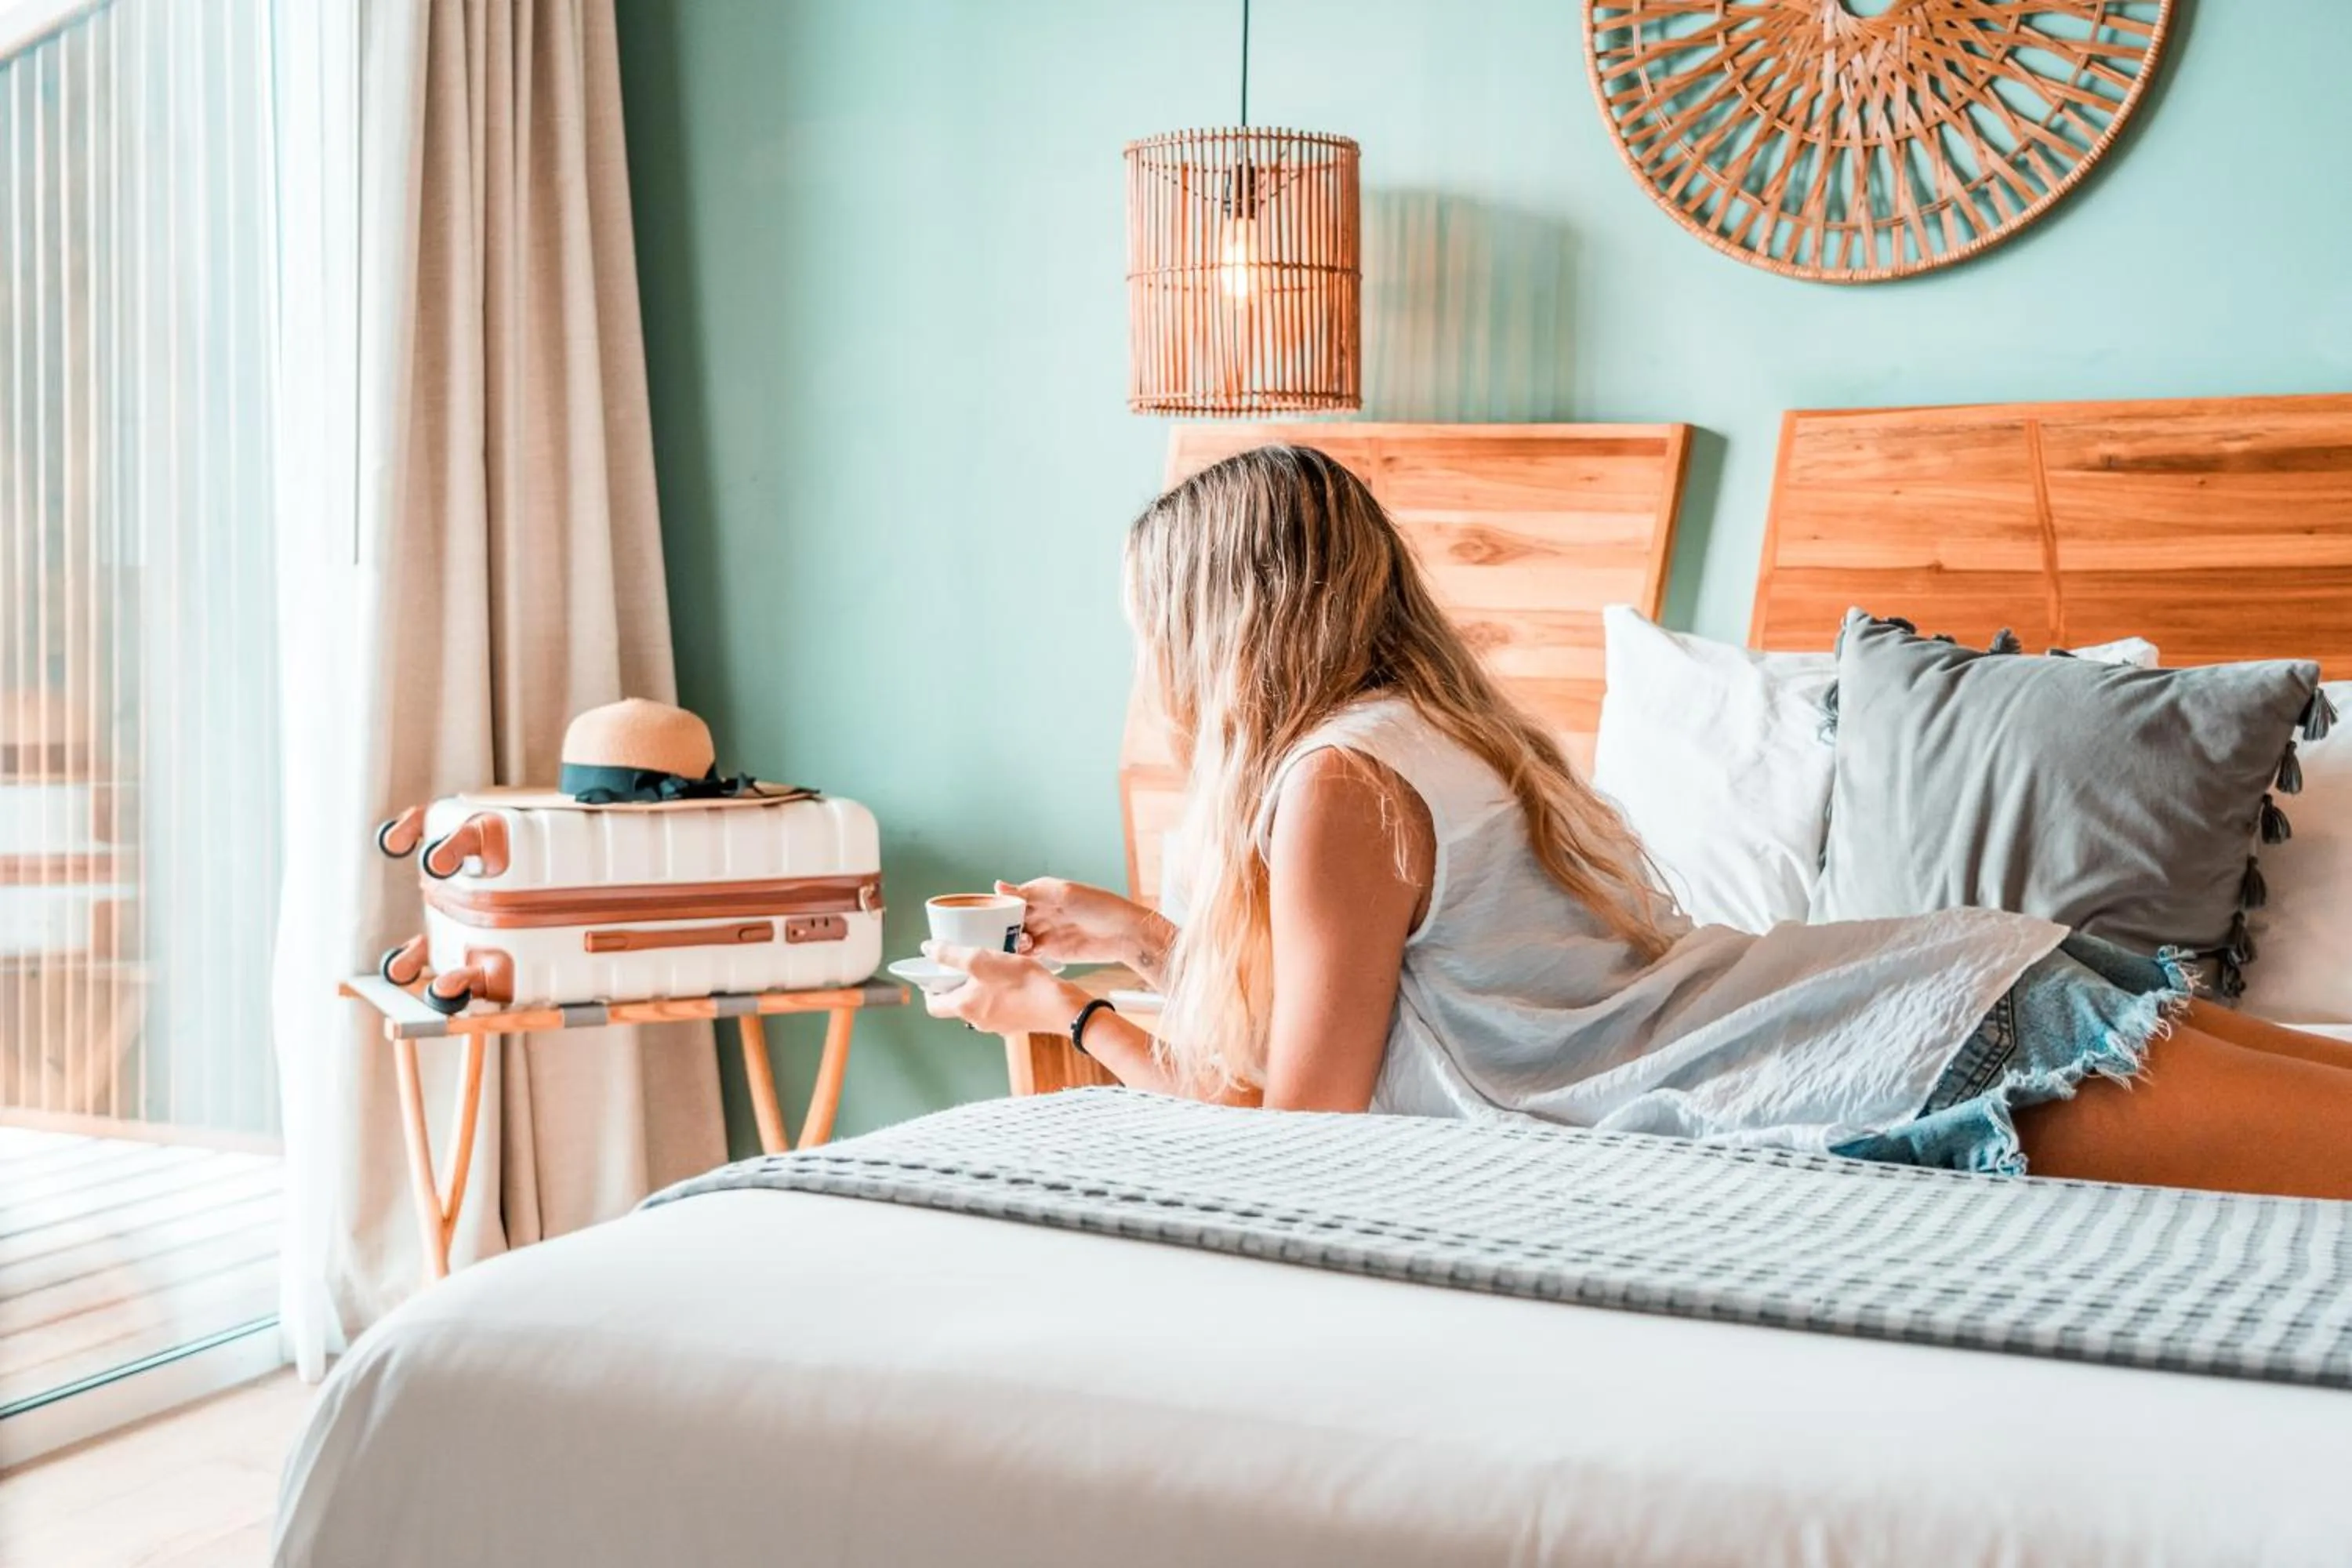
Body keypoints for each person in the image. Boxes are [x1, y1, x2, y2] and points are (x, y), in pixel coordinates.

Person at [923, 445, 2352, 1200]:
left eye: (1152, 633)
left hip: (1888, 1056)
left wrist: (1073, 1019)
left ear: (1214, 627)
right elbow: (1391, 1003)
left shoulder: (1332, 785)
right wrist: (1143, 940)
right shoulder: (1424, 735)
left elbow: (1309, 1120)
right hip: (1934, 983)